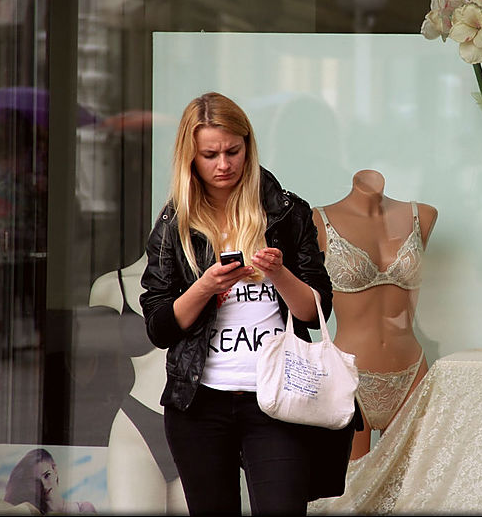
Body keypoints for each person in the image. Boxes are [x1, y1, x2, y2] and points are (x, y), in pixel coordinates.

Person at [139, 92, 341, 515]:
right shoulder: (175, 223)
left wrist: (279, 272)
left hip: (276, 400)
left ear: (248, 145)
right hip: (198, 403)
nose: (223, 164)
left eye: (233, 150)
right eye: (210, 154)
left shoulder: (286, 213)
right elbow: (159, 327)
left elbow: (315, 310)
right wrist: (206, 286)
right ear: (190, 157)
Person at [312, 169, 437, 459]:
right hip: (348, 372)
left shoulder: (423, 216)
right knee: (351, 492)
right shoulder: (318, 221)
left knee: (407, 492)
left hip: (411, 370)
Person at [88, 254, 186, 513]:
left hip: (199, 428)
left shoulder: (218, 281)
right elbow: (91, 368)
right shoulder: (112, 285)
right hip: (137, 428)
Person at [3, 448, 96, 514]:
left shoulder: (83, 509)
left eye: (47, 475)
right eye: (36, 482)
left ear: (55, 470)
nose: (44, 485)